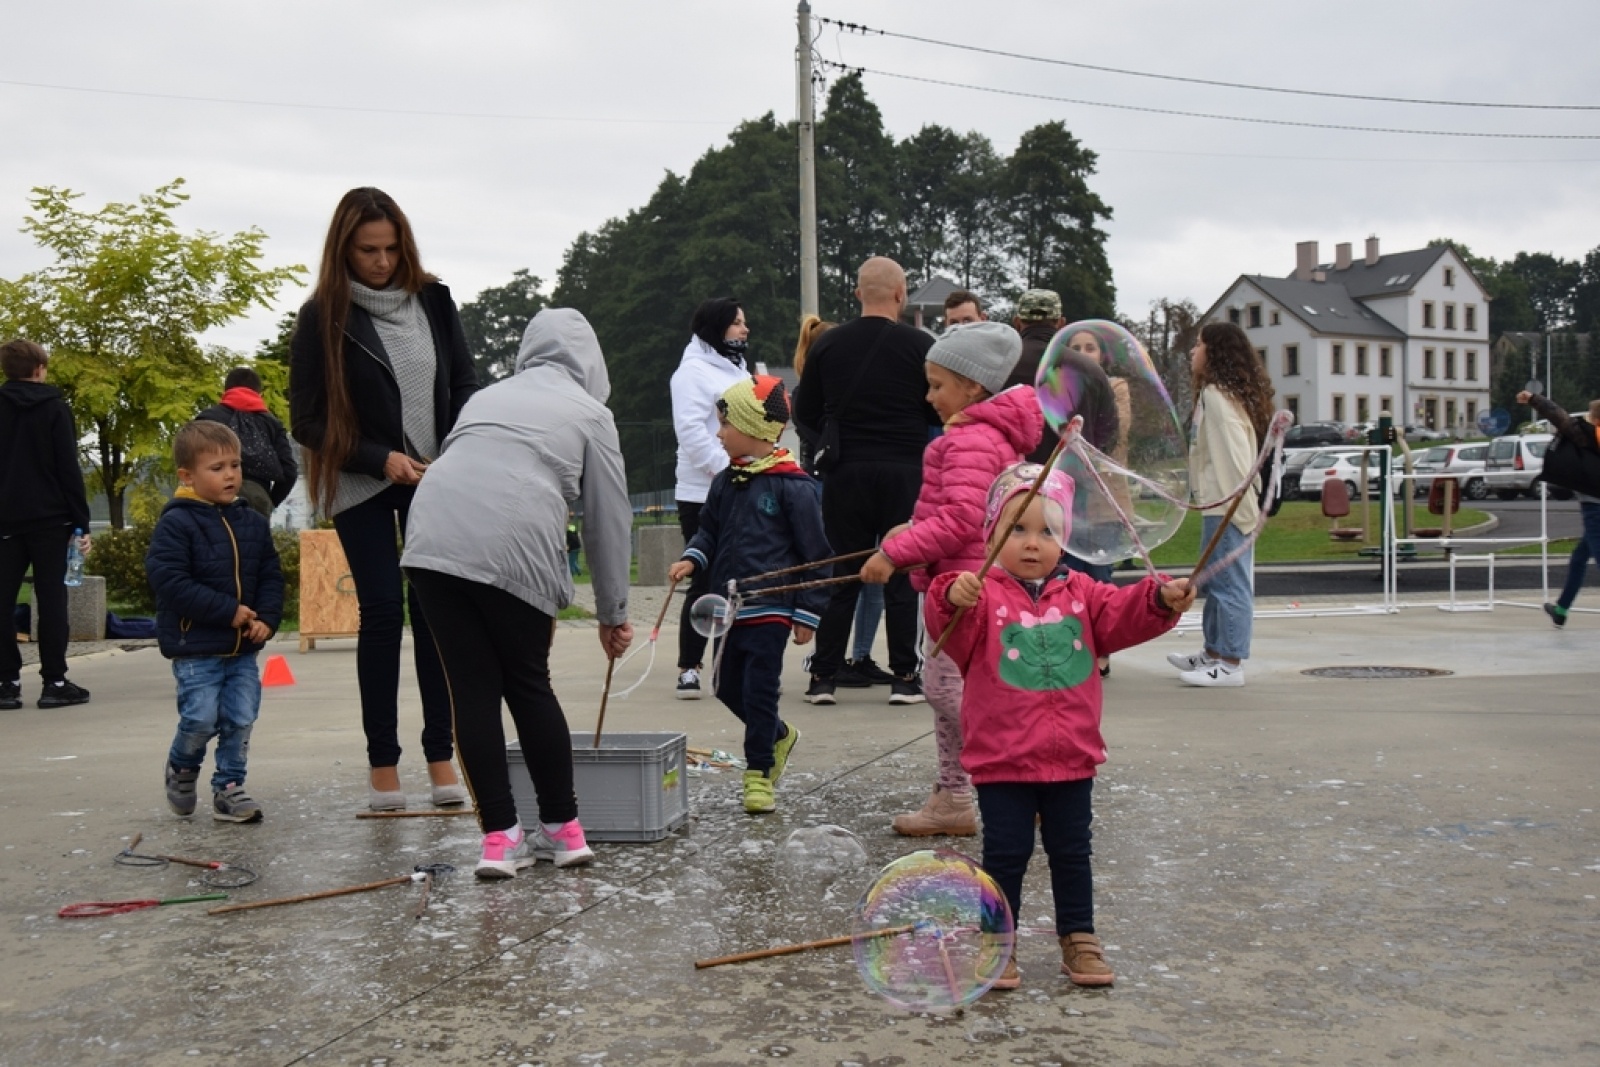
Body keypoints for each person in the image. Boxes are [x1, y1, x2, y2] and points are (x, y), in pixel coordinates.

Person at [926, 463, 1194, 988]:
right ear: (992, 534)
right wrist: (949, 597)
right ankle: (997, 941)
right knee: (1006, 854)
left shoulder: (1084, 593)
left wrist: (1158, 599)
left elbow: (1123, 613)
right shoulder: (981, 596)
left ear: (1065, 538)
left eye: (1047, 531)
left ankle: (1080, 936)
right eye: (1017, 529)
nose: (1033, 543)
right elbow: (948, 627)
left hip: (1071, 755)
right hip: (1002, 760)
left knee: (1073, 851)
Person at [402, 308, 633, 877]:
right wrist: (613, 613)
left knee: (473, 690)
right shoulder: (591, 413)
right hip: (513, 533)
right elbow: (608, 520)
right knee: (529, 683)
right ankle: (564, 829)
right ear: (591, 359)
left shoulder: (484, 399)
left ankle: (499, 841)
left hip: (431, 534)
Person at [288, 187, 478, 810]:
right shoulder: (323, 315)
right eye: (368, 250)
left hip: (434, 478)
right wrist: (379, 458)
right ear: (344, 247)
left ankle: (440, 754)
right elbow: (307, 421)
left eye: (391, 249)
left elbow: (464, 382)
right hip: (362, 480)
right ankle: (383, 765)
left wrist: (455, 451)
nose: (381, 261)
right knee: (380, 613)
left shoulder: (435, 299)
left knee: (433, 615)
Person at [859, 321, 1041, 837]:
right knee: (948, 694)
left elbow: (962, 522)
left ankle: (1018, 768)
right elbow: (959, 511)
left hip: (966, 591)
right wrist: (913, 530)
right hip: (959, 583)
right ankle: (954, 797)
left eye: (938, 384)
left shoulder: (972, 440)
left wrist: (895, 553)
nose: (928, 395)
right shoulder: (974, 438)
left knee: (944, 690)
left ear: (973, 387)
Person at [668, 375, 831, 815]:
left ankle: (758, 773)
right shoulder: (726, 481)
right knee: (723, 685)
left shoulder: (792, 486)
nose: (718, 433)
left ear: (755, 428)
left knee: (760, 689)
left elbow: (817, 555)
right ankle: (777, 734)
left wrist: (807, 614)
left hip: (772, 606)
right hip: (727, 606)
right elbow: (709, 531)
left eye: (725, 425)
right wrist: (693, 558)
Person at [793, 257, 941, 705]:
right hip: (905, 469)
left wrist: (828, 446)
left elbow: (805, 411)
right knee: (902, 572)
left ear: (858, 294)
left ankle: (824, 677)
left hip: (846, 471)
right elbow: (937, 406)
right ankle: (904, 677)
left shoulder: (828, 345)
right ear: (901, 294)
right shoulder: (922, 346)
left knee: (844, 570)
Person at [146, 420, 284, 823]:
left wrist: (268, 620)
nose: (230, 475)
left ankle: (229, 787)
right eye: (218, 467)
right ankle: (183, 767)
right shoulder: (177, 522)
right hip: (196, 647)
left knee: (240, 718)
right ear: (187, 476)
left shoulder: (253, 522)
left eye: (235, 465)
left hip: (242, 648)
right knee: (200, 718)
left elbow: (271, 576)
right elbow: (169, 581)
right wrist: (228, 611)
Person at [1166, 322, 1275, 688]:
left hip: (1228, 504)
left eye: (1198, 346)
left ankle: (1229, 662)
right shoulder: (1221, 394)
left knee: (1229, 582)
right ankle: (1213, 652)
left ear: (1215, 353)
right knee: (1215, 580)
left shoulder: (1216, 395)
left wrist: (1236, 506)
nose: (1192, 353)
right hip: (1219, 502)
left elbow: (1233, 456)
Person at [0, 339, 93, 710]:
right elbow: (67, 467)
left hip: (5, 521)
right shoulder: (55, 408)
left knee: (3, 601)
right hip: (52, 520)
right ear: (40, 369)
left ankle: (6, 681)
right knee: (52, 600)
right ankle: (54, 681)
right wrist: (81, 523)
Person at [669, 297, 752, 701]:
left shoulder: (738, 369)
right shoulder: (692, 373)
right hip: (701, 493)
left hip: (742, 485)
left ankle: (729, 662)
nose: (744, 330)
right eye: (737, 323)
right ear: (717, 328)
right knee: (703, 578)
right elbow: (691, 432)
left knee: (735, 577)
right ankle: (688, 666)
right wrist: (728, 469)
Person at [1518, 389, 1600, 626]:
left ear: (1594, 419)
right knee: (1579, 557)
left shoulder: (1587, 435)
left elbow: (1558, 416)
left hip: (1594, 507)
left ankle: (1563, 609)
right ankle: (1562, 609)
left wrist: (1533, 399)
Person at [197, 366, 298, 519]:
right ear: (259, 394)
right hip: (257, 495)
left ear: (225, 391)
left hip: (212, 495)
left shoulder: (207, 418)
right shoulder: (272, 423)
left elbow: (191, 459)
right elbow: (289, 471)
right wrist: (269, 501)